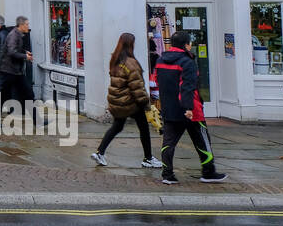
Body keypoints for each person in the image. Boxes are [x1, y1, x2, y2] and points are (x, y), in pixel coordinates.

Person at [156, 31, 226, 184]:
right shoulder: (187, 62)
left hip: (169, 108)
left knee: (168, 143)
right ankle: (208, 172)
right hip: (191, 110)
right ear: (186, 45)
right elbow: (187, 86)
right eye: (190, 43)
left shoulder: (160, 60)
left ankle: (167, 175)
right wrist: (188, 108)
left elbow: (158, 82)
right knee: (202, 141)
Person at [91, 33, 161, 168]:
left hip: (118, 102)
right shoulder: (131, 63)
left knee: (117, 126)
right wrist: (147, 105)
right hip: (131, 103)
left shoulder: (115, 60)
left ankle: (100, 152)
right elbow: (137, 87)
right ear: (131, 45)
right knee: (144, 129)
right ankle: (148, 158)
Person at [0, 16, 37, 127]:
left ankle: (37, 121)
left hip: (15, 71)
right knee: (4, 96)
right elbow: (11, 52)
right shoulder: (14, 35)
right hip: (9, 71)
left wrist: (24, 51)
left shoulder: (18, 34)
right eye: (27, 24)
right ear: (21, 25)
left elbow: (13, 49)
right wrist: (25, 56)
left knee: (28, 94)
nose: (28, 26)